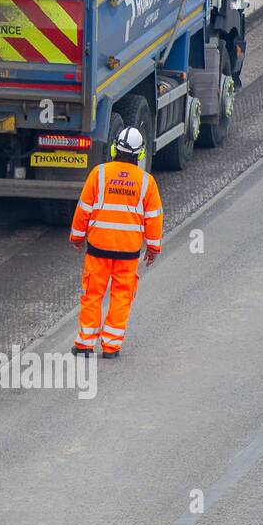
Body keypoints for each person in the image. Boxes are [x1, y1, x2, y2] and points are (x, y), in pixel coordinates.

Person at [69, 126, 163, 357]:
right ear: (140, 154)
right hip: (128, 252)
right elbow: (153, 218)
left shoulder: (98, 174)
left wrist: (77, 238)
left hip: (98, 249)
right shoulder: (146, 182)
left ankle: (84, 344)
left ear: (114, 148)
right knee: (121, 297)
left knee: (92, 294)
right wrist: (153, 248)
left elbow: (83, 210)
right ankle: (111, 346)